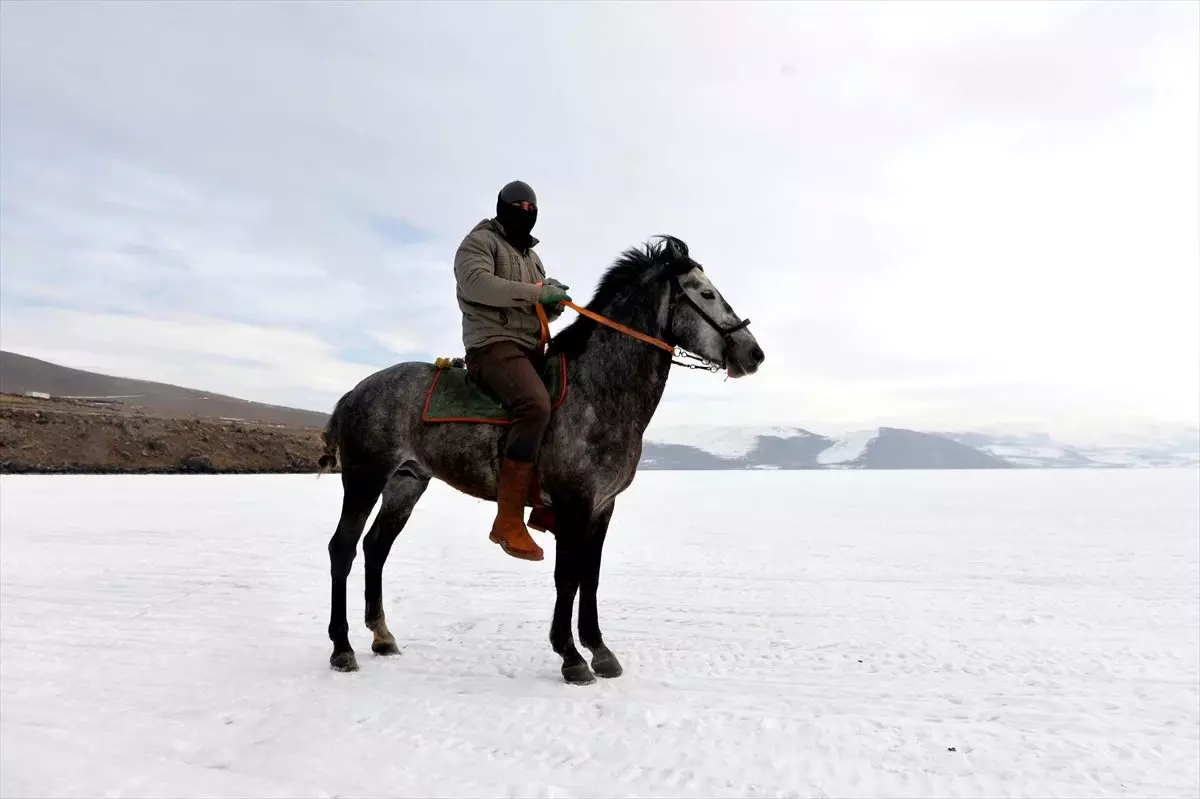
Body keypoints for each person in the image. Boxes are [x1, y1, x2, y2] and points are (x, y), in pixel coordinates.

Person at [453, 180, 572, 562]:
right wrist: (539, 294)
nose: (525, 211)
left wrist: (553, 303)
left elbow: (537, 305)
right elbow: (478, 285)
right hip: (492, 345)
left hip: (531, 347)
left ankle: (544, 502)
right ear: (502, 207)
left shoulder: (533, 259)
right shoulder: (479, 243)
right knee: (534, 405)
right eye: (517, 205)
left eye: (530, 207)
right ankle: (507, 520)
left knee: (571, 398)